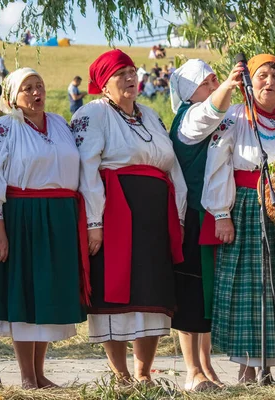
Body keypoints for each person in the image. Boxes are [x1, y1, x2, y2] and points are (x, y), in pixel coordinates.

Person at [72, 49, 186, 384]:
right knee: (115, 292)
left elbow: (172, 166)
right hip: (116, 213)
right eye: (121, 74)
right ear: (104, 84)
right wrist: (95, 222)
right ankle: (120, 373)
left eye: (133, 71)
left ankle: (144, 372)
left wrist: (177, 214)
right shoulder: (91, 114)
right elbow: (87, 169)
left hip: (154, 216)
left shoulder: (150, 115)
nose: (130, 78)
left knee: (152, 292)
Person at [0, 67, 89, 389]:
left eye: (39, 86)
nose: (36, 93)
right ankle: (27, 377)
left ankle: (39, 373)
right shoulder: (4, 128)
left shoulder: (59, 124)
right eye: (27, 88)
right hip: (22, 216)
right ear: (12, 97)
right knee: (25, 295)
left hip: (59, 216)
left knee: (45, 296)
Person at [202, 54, 275, 383]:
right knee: (252, 289)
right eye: (262, 75)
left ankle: (269, 367)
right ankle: (248, 368)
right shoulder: (235, 117)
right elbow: (217, 165)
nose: (270, 82)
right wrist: (221, 214)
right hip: (247, 206)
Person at [169, 58, 243, 391]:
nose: (213, 86)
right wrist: (228, 86)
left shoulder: (211, 116)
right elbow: (210, 112)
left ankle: (207, 366)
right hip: (193, 216)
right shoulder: (189, 119)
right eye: (207, 81)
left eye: (215, 80)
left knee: (206, 295)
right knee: (191, 292)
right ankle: (191, 370)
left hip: (210, 215)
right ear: (189, 91)